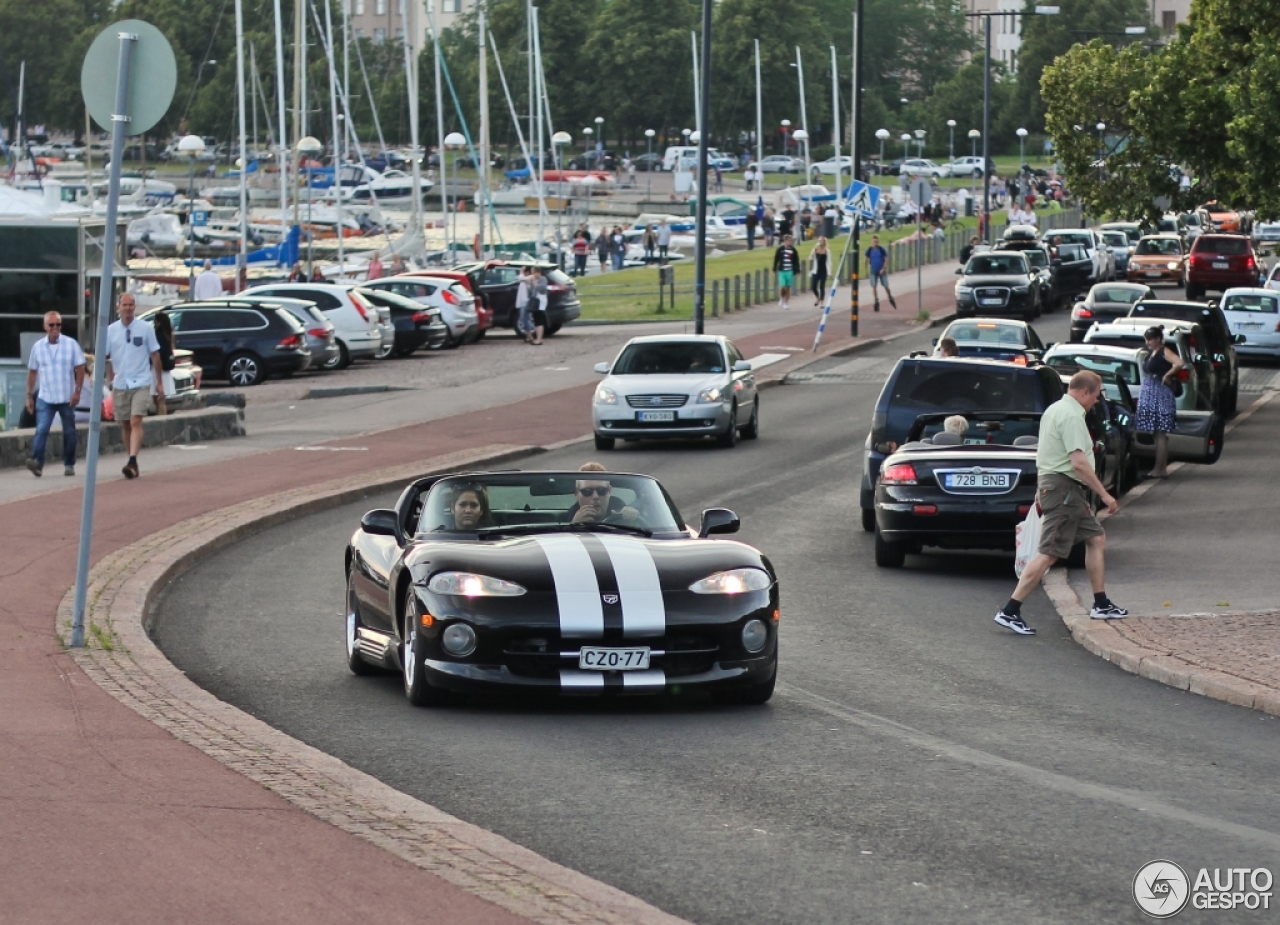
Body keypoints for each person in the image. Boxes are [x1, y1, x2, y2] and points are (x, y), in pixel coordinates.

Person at [994, 370, 1127, 635]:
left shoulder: (1055, 410)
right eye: (1098, 395)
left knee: (1096, 538)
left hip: (1061, 488)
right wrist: (1104, 493)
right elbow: (1078, 463)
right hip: (1064, 489)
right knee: (1050, 552)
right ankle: (1010, 609)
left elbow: (1047, 453)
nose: (1098, 401)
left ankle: (1101, 603)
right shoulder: (1071, 416)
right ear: (1085, 392)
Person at [104, 293, 163, 480]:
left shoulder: (145, 328)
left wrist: (159, 382)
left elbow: (155, 355)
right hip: (121, 382)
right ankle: (132, 463)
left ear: (134, 307)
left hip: (141, 381)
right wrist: (104, 377)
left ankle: (132, 459)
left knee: (136, 420)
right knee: (125, 424)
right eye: (124, 305)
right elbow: (104, 356)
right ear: (118, 307)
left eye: (131, 305)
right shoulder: (111, 330)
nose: (128, 308)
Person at [24, 311, 86, 478]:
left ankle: (69, 463)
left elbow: (80, 369)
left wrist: (77, 392)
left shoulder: (71, 344)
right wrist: (29, 395)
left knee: (69, 432)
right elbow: (32, 372)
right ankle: (37, 462)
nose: (55, 328)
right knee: (42, 429)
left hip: (66, 396)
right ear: (45, 326)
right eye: (51, 325)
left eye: (58, 324)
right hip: (46, 396)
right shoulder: (38, 347)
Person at [1135, 326, 1184, 478]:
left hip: (1159, 394)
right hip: (1153, 392)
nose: (1147, 342)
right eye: (1146, 339)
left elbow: (1179, 363)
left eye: (1150, 339)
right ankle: (1160, 468)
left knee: (1160, 433)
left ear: (1157, 339)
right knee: (1158, 434)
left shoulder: (1164, 351)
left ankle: (1159, 469)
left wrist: (1168, 375)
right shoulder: (1154, 352)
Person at [152, 311, 175, 414]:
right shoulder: (168, 334)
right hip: (166, 369)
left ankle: (160, 420)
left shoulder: (158, 334)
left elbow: (157, 354)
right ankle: (161, 417)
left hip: (157, 369)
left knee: (158, 400)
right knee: (161, 400)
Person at [865, 235, 896, 311]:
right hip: (873, 270)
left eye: (877, 241)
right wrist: (866, 271)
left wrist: (883, 268)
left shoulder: (882, 249)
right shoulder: (869, 250)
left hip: (881, 270)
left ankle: (889, 296)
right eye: (874, 241)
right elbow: (866, 260)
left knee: (885, 285)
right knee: (874, 286)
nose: (875, 243)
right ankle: (876, 300)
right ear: (871, 242)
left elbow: (886, 259)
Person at [773, 233, 801, 310]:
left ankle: (786, 302)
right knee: (783, 287)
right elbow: (776, 260)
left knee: (788, 287)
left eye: (791, 240)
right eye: (789, 240)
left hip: (790, 271)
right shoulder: (780, 249)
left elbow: (796, 260)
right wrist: (774, 269)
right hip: (782, 271)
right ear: (785, 241)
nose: (790, 242)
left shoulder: (793, 250)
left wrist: (798, 270)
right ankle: (781, 298)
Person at [529, 265, 548, 345]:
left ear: (538, 272)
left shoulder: (543, 279)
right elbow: (531, 290)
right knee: (536, 319)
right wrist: (531, 284)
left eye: (533, 273)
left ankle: (539, 339)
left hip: (540, 301)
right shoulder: (535, 280)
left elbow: (542, 288)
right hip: (535, 301)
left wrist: (534, 283)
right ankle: (537, 338)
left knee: (539, 319)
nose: (532, 275)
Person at [514, 266, 533, 343]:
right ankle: (527, 335)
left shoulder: (529, 278)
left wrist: (521, 271)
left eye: (525, 271)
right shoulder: (524, 280)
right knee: (524, 319)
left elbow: (520, 278)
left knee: (525, 319)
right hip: (522, 302)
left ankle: (530, 336)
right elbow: (518, 278)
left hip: (525, 302)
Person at [810, 236, 830, 305]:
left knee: (822, 286)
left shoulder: (827, 251)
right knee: (813, 286)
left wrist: (830, 273)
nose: (820, 242)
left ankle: (822, 302)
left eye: (821, 241)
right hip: (816, 270)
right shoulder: (815, 249)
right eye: (819, 241)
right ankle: (817, 298)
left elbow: (829, 262)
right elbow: (811, 257)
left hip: (823, 270)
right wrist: (814, 250)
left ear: (824, 242)